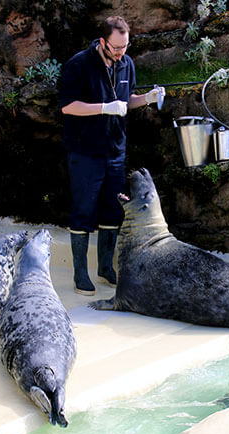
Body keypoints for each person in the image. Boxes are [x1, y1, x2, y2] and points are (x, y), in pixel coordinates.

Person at [57, 16, 164, 295]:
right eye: (116, 47)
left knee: (113, 210)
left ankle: (106, 268)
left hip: (115, 151)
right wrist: (104, 107)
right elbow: (68, 107)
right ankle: (81, 273)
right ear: (103, 41)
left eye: (125, 46)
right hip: (84, 151)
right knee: (83, 211)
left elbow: (127, 102)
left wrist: (149, 98)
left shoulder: (126, 64)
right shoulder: (79, 64)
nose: (121, 52)